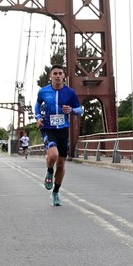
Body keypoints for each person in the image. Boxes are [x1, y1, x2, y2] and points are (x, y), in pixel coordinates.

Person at [35, 66, 82, 206]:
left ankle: (55, 192)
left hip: (63, 130)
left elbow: (80, 110)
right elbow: (37, 105)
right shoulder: (43, 91)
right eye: (55, 73)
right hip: (48, 128)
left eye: (60, 73)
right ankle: (50, 171)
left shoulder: (70, 92)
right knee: (53, 155)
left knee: (61, 164)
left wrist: (71, 110)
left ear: (63, 76)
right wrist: (38, 117)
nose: (57, 76)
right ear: (51, 76)